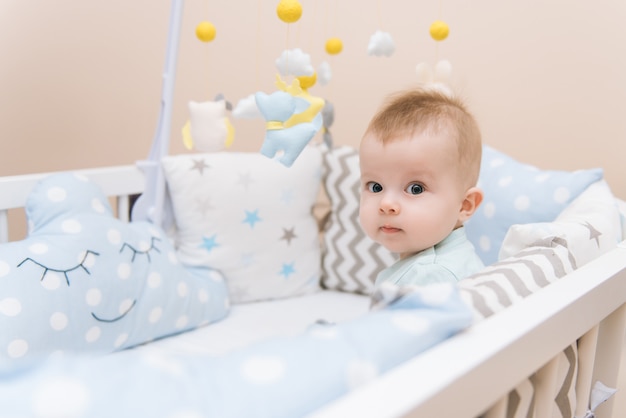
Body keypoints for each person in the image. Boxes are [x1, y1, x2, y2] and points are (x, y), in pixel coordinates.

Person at [359, 87, 484, 287]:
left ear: (464, 206)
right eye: (375, 187)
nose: (386, 203)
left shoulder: (430, 277)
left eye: (415, 188)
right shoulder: (454, 259)